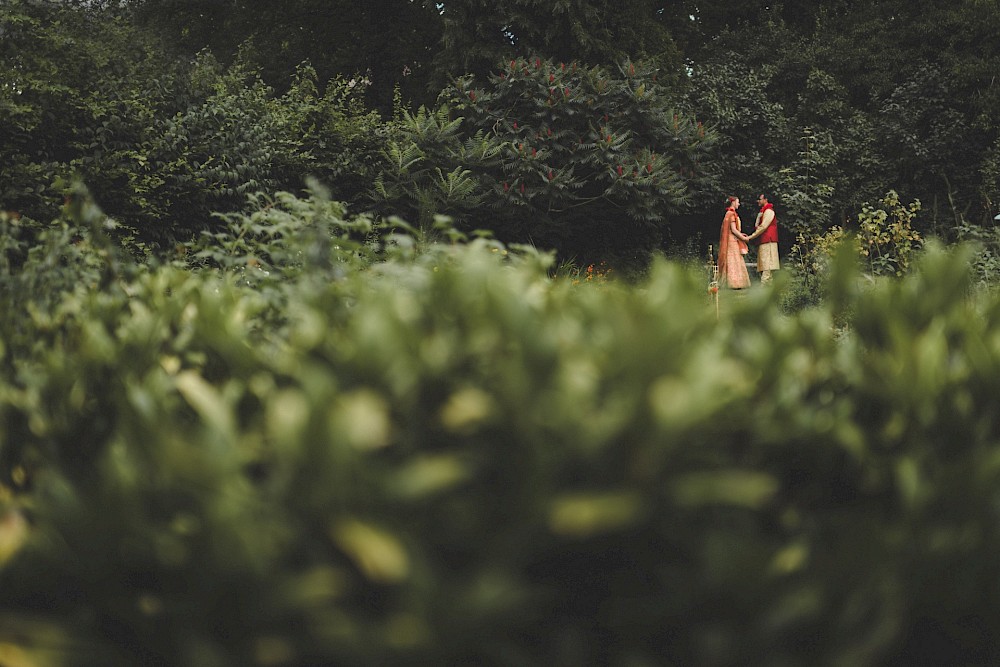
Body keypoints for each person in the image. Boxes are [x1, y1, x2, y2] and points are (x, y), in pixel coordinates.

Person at [717, 195, 750, 289]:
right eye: (737, 202)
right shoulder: (731, 214)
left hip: (732, 239)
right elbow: (734, 230)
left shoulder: (729, 213)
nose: (739, 204)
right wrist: (744, 239)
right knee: (734, 260)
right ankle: (734, 283)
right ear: (733, 202)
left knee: (733, 259)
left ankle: (731, 282)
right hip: (732, 241)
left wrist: (741, 235)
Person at [746, 193, 780, 283]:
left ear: (766, 199)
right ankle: (768, 288)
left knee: (767, 265)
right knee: (765, 265)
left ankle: (764, 286)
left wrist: (751, 237)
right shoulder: (763, 211)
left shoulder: (769, 211)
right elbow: (757, 225)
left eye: (760, 199)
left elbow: (763, 227)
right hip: (764, 241)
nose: (758, 201)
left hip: (768, 240)